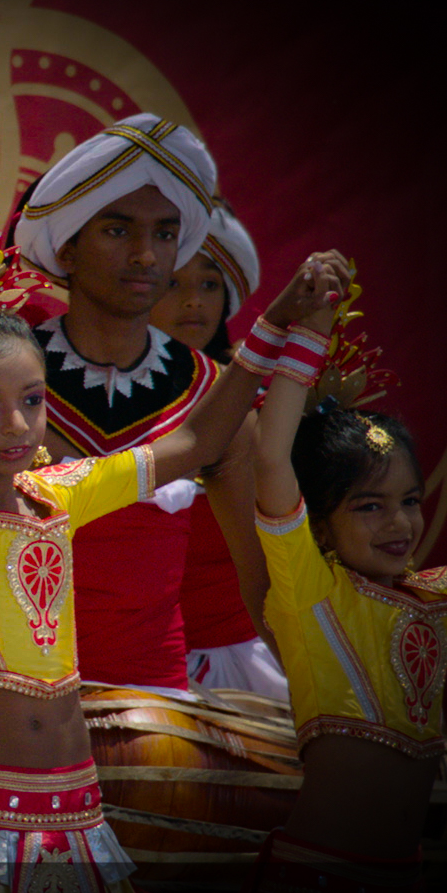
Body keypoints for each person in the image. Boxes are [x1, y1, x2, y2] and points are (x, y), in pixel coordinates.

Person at [0, 95, 340, 893]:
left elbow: (197, 440)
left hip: (85, 806)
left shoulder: (61, 492)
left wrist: (283, 325)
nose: (16, 423)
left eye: (31, 403)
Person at [231, 268, 447, 893]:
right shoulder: (311, 594)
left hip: (405, 891)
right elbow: (271, 458)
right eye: (369, 506)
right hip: (321, 889)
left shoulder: (435, 597)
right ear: (320, 524)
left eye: (410, 501)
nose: (400, 524)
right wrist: (311, 330)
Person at [11, 114, 240, 695]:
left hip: (156, 707)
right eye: (118, 231)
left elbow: (267, 572)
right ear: (66, 248)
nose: (145, 255)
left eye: (165, 234)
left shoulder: (211, 392)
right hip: (13, 695)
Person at [148, 206, 288, 699]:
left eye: (209, 285)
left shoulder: (262, 407)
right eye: (173, 284)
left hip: (249, 664)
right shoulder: (100, 412)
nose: (193, 301)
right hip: (136, 664)